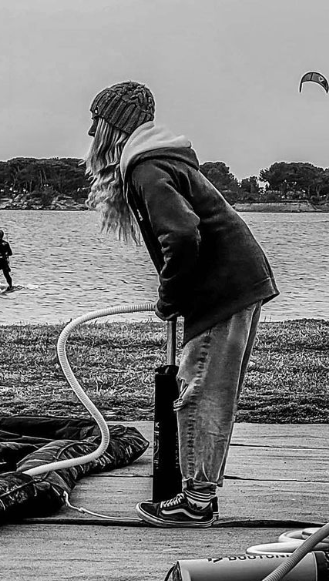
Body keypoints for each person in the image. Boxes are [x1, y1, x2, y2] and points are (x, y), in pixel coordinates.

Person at [84, 81, 278, 528]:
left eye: (96, 122)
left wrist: (170, 297)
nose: (90, 132)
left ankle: (195, 501)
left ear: (113, 127)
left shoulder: (147, 169)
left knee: (199, 391)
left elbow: (183, 234)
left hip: (223, 289)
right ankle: (200, 495)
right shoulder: (158, 161)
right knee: (210, 391)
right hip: (238, 282)